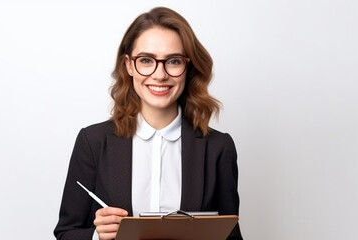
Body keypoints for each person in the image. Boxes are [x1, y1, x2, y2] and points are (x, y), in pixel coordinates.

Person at [54, 6, 242, 240]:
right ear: (129, 65)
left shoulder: (218, 147)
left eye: (173, 61)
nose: (160, 75)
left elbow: (230, 235)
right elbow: (65, 233)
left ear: (188, 66)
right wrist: (96, 236)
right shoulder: (92, 142)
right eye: (146, 60)